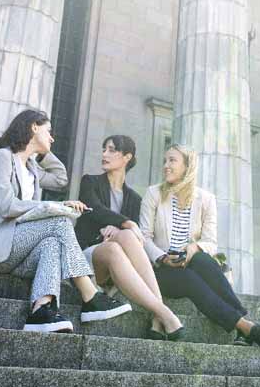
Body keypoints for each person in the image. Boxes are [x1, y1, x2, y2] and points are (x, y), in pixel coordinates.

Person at [0, 109, 131, 333]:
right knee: (59, 221)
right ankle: (90, 294)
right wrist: (53, 207)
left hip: (18, 251)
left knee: (52, 243)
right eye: (49, 132)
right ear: (34, 127)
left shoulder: (32, 168)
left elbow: (60, 178)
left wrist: (42, 151)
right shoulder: (2, 157)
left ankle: (41, 310)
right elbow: (6, 206)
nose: (53, 138)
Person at [140, 144, 260, 347]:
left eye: (172, 160)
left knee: (202, 259)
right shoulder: (154, 194)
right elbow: (143, 237)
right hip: (159, 269)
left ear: (187, 166)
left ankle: (243, 326)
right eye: (165, 161)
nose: (166, 166)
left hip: (191, 261)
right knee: (189, 278)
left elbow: (210, 242)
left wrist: (193, 249)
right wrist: (163, 257)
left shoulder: (205, 199)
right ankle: (245, 326)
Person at [75, 135, 185, 340]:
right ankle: (164, 314)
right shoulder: (90, 182)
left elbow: (135, 238)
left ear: (127, 157)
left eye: (111, 150)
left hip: (120, 266)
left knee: (124, 237)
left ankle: (158, 315)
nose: (104, 154)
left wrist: (119, 229)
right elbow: (95, 209)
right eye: (104, 149)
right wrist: (126, 223)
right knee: (120, 240)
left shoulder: (134, 199)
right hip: (87, 260)